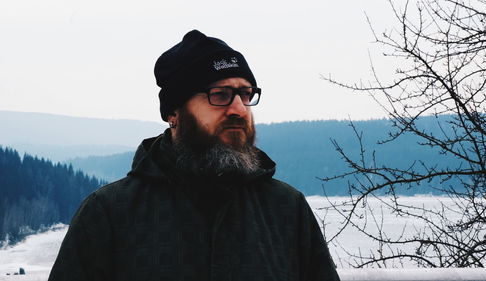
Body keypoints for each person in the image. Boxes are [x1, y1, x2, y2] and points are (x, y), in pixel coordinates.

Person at [48, 30, 341, 281]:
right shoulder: (110, 213)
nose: (239, 109)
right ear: (174, 112)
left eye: (246, 95)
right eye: (220, 95)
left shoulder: (286, 209)